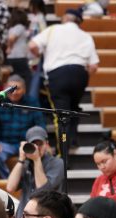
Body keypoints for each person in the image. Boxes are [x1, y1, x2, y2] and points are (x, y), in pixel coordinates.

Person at [29, 8, 99, 149]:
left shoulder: (53, 29)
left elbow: (32, 45)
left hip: (58, 74)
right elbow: (94, 66)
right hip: (80, 74)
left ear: (65, 18)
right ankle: (72, 140)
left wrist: (40, 55)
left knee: (62, 114)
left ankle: (63, 150)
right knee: (74, 108)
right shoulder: (86, 36)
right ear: (78, 22)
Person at [0, 74, 45, 178]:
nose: (14, 93)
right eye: (11, 89)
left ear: (24, 89)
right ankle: (7, 180)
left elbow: (40, 124)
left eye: (17, 89)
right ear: (5, 89)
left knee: (42, 153)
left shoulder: (32, 102)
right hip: (5, 144)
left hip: (26, 142)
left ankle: (29, 181)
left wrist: (41, 141)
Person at [6, 126, 65, 218]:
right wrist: (21, 159)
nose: (37, 148)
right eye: (33, 144)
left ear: (47, 144)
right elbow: (10, 187)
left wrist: (37, 160)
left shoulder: (57, 163)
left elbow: (43, 191)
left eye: (40, 144)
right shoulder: (25, 164)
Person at [5, 8, 32, 88]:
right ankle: (25, 94)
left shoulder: (11, 28)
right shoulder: (20, 27)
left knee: (15, 77)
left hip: (12, 57)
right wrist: (9, 47)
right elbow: (11, 38)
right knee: (27, 77)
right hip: (19, 56)